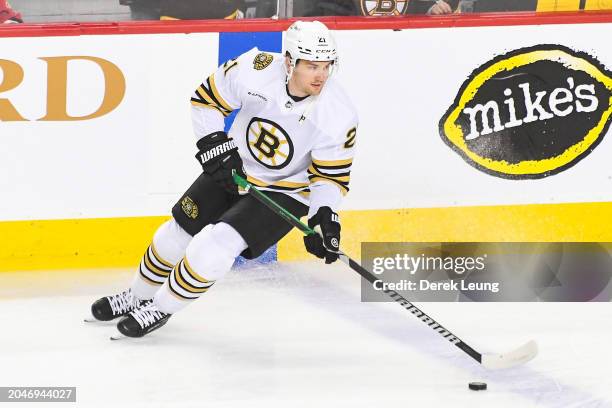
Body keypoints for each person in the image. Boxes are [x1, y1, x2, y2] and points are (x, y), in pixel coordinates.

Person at [89, 20, 359, 339]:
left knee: (215, 245)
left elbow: (329, 178)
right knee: (174, 234)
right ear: (289, 61)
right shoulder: (254, 69)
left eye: (327, 66)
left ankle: (159, 309)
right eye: (312, 65)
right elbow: (205, 100)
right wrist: (216, 146)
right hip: (235, 169)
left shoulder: (338, 114)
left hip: (285, 191)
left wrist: (324, 219)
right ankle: (137, 297)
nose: (321, 75)